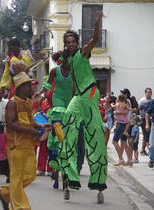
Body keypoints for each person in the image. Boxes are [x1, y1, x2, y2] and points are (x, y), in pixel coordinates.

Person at [57, 12, 107, 203]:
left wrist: (96, 23)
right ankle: (69, 177)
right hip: (78, 97)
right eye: (67, 42)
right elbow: (70, 80)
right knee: (67, 128)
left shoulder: (82, 52)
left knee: (94, 135)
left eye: (72, 42)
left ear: (77, 43)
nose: (70, 44)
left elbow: (94, 39)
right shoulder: (68, 59)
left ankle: (99, 183)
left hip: (91, 94)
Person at [0, 72, 51, 210]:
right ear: (20, 87)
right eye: (27, 85)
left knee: (30, 175)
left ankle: (6, 193)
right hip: (15, 146)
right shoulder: (12, 103)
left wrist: (41, 126)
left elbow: (30, 121)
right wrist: (31, 131)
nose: (31, 87)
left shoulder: (28, 103)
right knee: (16, 178)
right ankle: (22, 207)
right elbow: (10, 124)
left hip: (28, 145)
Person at [38, 51, 73, 188]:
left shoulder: (74, 72)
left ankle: (64, 175)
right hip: (58, 104)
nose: (64, 62)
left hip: (69, 103)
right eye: (62, 59)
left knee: (68, 141)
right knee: (58, 138)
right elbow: (47, 84)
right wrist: (39, 93)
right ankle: (56, 173)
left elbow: (78, 89)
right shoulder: (54, 71)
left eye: (67, 59)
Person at [112, 95, 130, 166]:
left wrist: (116, 112)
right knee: (124, 142)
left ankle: (121, 159)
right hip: (122, 123)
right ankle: (127, 159)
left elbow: (125, 112)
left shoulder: (120, 104)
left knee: (114, 141)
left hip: (121, 124)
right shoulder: (124, 104)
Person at [138, 88, 152, 155]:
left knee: (147, 135)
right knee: (147, 136)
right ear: (145, 93)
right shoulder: (142, 101)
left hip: (151, 120)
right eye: (148, 92)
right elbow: (139, 109)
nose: (149, 93)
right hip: (144, 120)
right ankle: (151, 152)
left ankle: (142, 150)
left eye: (150, 92)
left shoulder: (152, 100)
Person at [145, 99, 154, 168]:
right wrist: (147, 124)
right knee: (152, 145)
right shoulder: (153, 102)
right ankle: (152, 159)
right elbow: (147, 113)